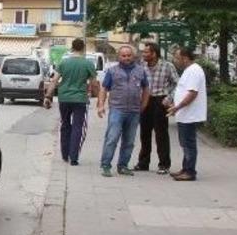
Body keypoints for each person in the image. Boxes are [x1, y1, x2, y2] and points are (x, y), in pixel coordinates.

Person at [44, 38, 99, 166]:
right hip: (80, 99)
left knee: (65, 124)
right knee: (78, 126)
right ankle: (74, 157)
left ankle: (65, 155)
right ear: (83, 48)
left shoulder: (64, 63)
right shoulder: (88, 64)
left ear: (72, 48)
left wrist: (48, 96)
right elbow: (94, 83)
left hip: (64, 98)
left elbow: (54, 81)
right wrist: (98, 97)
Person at [97, 45, 150, 177]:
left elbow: (146, 88)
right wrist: (101, 105)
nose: (126, 58)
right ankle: (106, 165)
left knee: (129, 141)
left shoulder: (140, 71)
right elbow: (104, 88)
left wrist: (144, 104)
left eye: (129, 55)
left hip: (134, 111)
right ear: (119, 56)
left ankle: (123, 166)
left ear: (133, 56)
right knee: (112, 138)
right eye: (123, 55)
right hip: (117, 109)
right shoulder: (112, 71)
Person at [135, 42, 179, 174]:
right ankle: (143, 163)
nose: (143, 54)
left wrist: (169, 98)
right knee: (144, 133)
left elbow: (177, 84)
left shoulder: (167, 66)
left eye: (146, 52)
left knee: (161, 134)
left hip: (160, 100)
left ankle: (164, 164)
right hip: (145, 101)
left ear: (154, 53)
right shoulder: (141, 66)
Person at [167, 47, 207, 181]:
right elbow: (184, 91)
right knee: (185, 143)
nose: (175, 60)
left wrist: (177, 107)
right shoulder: (188, 70)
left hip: (190, 115)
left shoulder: (194, 71)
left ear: (184, 58)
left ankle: (190, 171)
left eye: (177, 58)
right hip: (185, 114)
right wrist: (176, 105)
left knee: (188, 144)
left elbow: (192, 93)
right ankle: (185, 168)